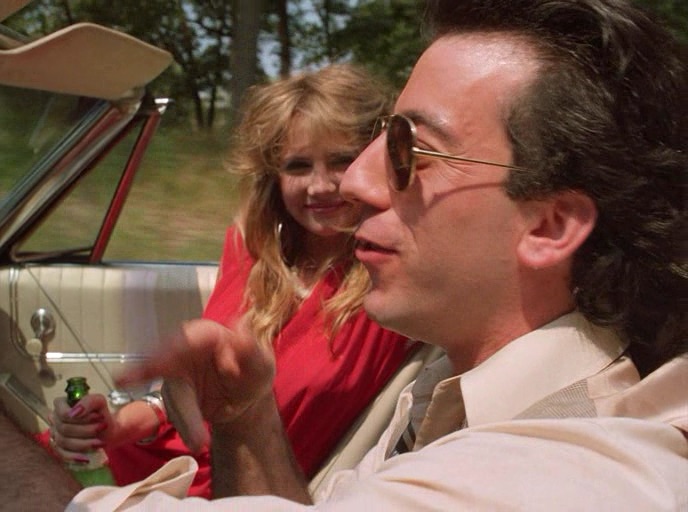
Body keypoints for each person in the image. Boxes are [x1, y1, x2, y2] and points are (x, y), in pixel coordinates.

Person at [67, 0, 687, 509]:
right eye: (385, 139)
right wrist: (246, 419)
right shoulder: (447, 379)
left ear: (550, 226)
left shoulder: (550, 475)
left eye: (410, 152)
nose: (356, 183)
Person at [48, 63, 421, 498]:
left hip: (232, 489)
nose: (320, 186)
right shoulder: (251, 250)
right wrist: (118, 426)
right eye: (298, 166)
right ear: (274, 177)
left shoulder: (391, 278)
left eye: (342, 160)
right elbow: (205, 387)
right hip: (161, 466)